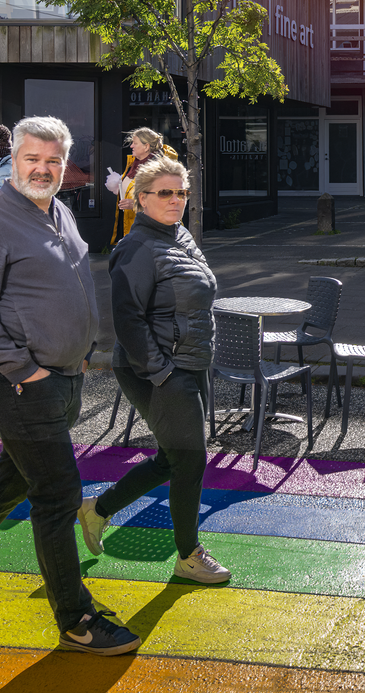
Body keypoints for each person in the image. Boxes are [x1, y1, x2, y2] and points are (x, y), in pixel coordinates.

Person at [0, 116, 140, 656]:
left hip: (63, 378)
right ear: (10, 160)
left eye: (53, 160)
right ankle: (76, 617)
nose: (43, 169)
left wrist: (79, 350)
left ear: (66, 164)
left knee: (8, 485)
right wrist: (25, 369)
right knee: (58, 494)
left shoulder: (58, 209)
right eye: (31, 159)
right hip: (19, 384)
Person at [78, 156, 227, 584]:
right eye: (165, 192)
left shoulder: (179, 236)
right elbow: (127, 320)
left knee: (170, 458)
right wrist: (161, 372)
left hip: (190, 361)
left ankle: (97, 509)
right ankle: (188, 555)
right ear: (140, 199)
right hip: (158, 369)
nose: (176, 200)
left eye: (181, 192)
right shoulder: (136, 247)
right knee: (190, 461)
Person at [107, 127, 176, 247]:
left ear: (146, 146)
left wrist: (134, 205)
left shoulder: (159, 169)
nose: (131, 146)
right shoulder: (133, 165)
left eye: (135, 143)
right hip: (133, 231)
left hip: (152, 234)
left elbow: (165, 201)